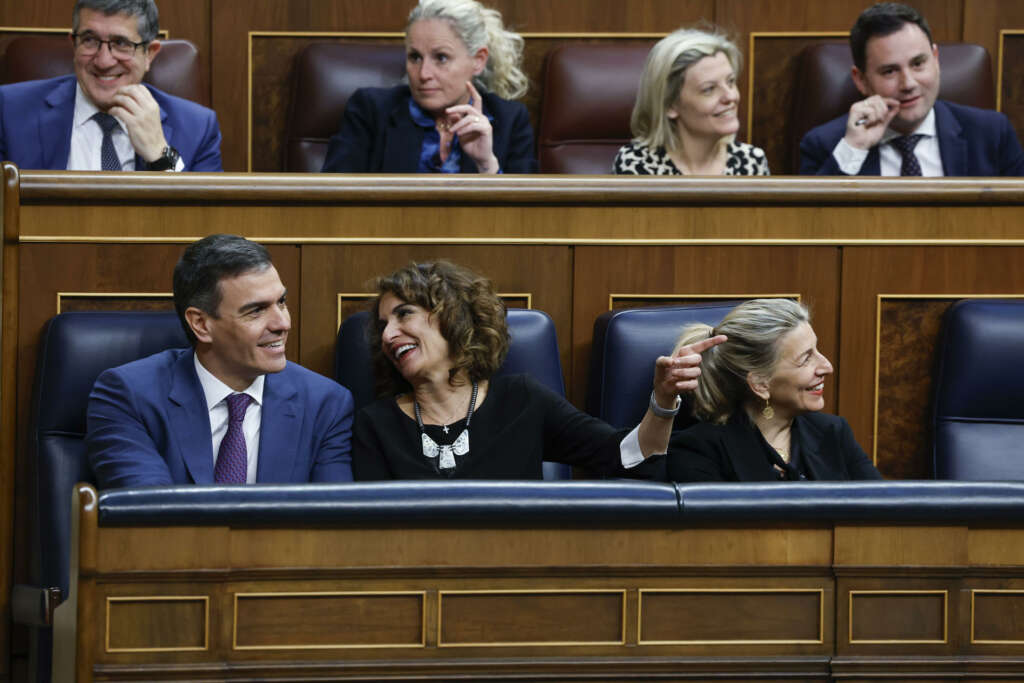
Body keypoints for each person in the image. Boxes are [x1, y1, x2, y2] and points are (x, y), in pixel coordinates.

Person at [352, 261, 725, 479]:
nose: (388, 334)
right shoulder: (374, 424)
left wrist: (663, 400)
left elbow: (627, 456)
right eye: (383, 325)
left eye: (404, 315)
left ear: (453, 318)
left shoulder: (522, 401)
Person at [86, 234, 354, 488]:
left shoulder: (325, 404)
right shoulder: (129, 396)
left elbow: (331, 526)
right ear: (201, 324)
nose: (282, 323)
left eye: (281, 302)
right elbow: (152, 518)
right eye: (256, 311)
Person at [666, 299, 882, 482]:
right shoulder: (700, 450)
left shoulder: (833, 432)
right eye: (806, 358)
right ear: (761, 384)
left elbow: (885, 512)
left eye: (817, 349)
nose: (827, 367)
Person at [799, 2, 1024, 176]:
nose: (908, 84)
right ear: (861, 81)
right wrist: (855, 148)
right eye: (889, 71)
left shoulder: (992, 134)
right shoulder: (825, 145)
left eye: (918, 64)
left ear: (936, 60)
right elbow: (813, 229)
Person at [0, 0, 222, 171]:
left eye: (121, 43)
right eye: (89, 40)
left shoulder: (198, 128)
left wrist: (162, 156)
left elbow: (206, 224)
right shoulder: (9, 111)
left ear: (149, 54)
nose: (104, 61)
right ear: (73, 44)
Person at [321, 0, 536, 174]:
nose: (423, 74)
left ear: (478, 61)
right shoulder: (370, 111)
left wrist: (486, 164)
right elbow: (333, 202)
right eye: (415, 57)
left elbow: (526, 219)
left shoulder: (511, 120)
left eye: (441, 58)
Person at [614, 27, 768, 176]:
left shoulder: (752, 161)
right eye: (709, 89)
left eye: (731, 81)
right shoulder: (637, 165)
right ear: (670, 105)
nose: (731, 96)